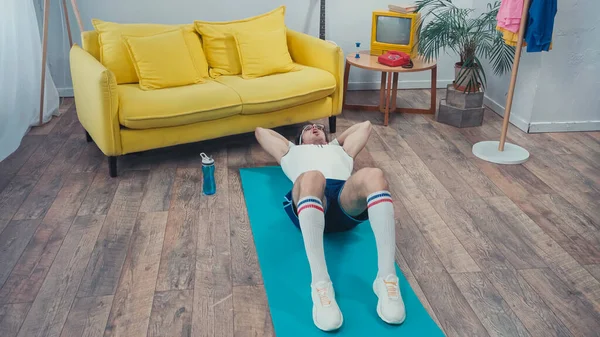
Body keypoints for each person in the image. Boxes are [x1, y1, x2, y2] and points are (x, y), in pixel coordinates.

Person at [254, 121, 405, 331]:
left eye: (319, 127)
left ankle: (387, 280)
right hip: (310, 197)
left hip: (343, 200)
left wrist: (333, 143)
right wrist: (295, 144)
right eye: (309, 128)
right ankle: (321, 286)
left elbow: (366, 126)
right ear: (299, 139)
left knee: (374, 174)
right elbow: (262, 131)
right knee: (313, 176)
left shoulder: (340, 151)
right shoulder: (291, 152)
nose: (315, 128)